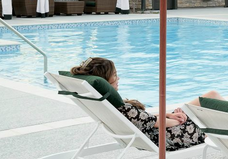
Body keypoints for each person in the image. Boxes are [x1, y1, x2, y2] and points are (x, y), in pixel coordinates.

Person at [70, 57, 206, 151]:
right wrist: (182, 119)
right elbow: (159, 123)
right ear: (105, 79)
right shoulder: (125, 109)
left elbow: (146, 119)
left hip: (154, 132)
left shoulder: (113, 105)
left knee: (204, 100)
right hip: (169, 137)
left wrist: (169, 114)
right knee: (207, 101)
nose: (118, 78)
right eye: (115, 75)